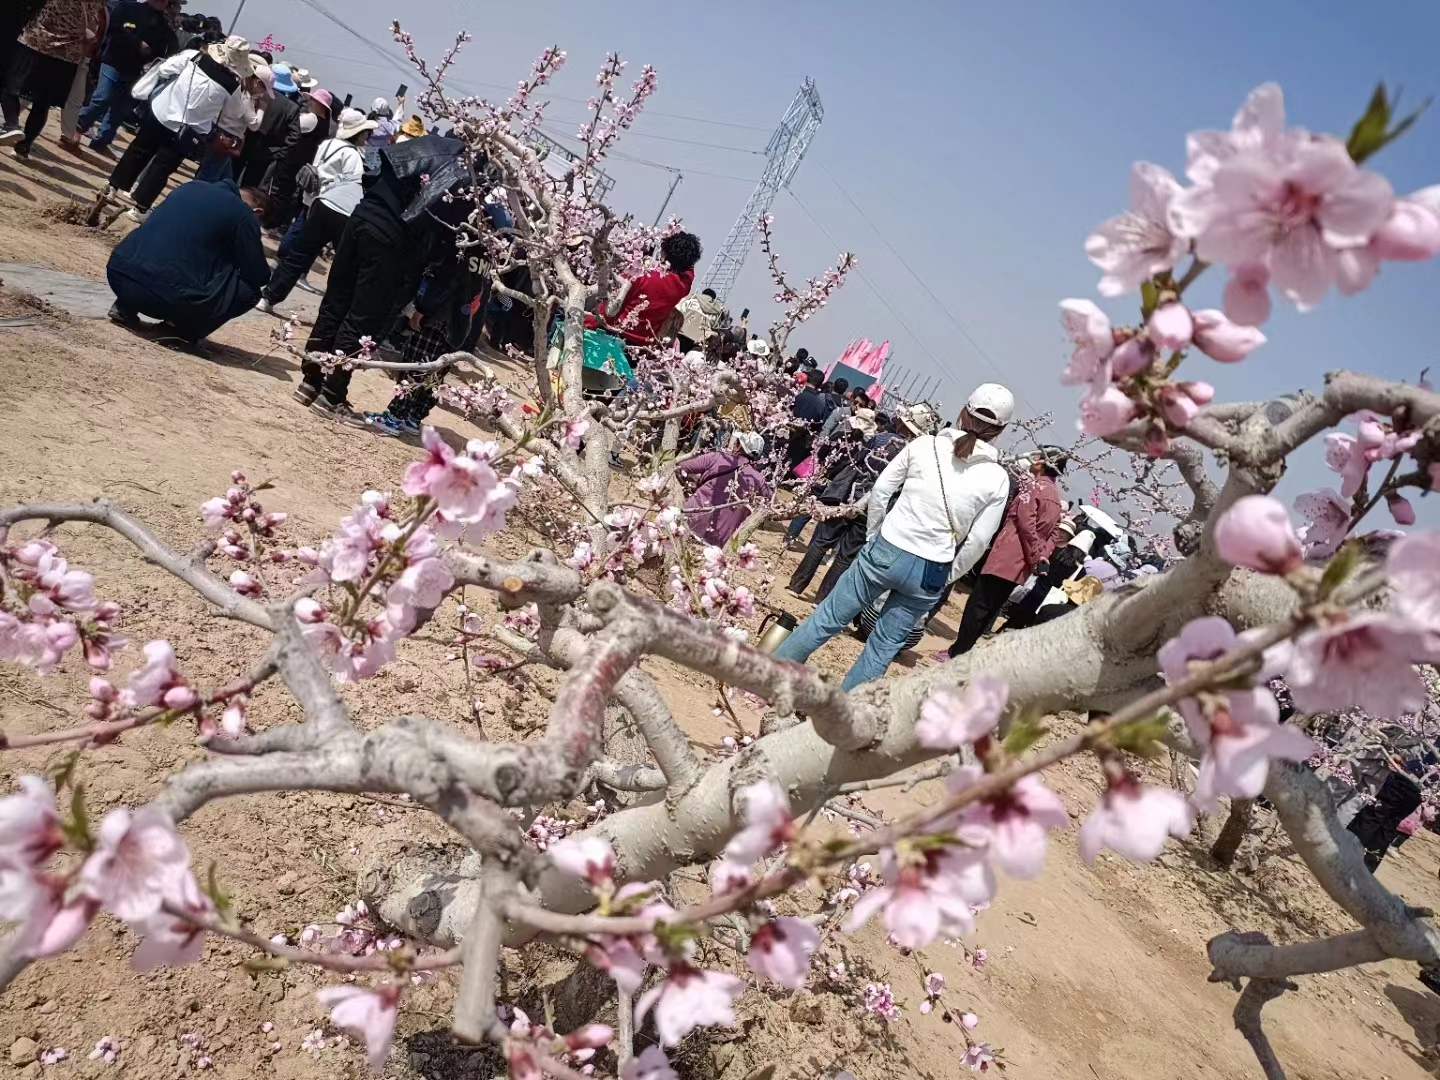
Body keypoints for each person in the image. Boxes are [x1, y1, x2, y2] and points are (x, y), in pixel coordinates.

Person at [774, 384, 1015, 691]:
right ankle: (841, 721)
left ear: (962, 412)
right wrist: (948, 574)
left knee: (827, 619)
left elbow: (882, 492)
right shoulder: (998, 479)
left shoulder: (924, 445)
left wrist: (875, 534)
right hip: (932, 569)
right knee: (882, 648)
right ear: (1000, 430)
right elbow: (979, 542)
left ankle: (772, 679)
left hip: (889, 546)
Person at [300, 133, 467, 424]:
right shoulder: (464, 171)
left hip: (363, 215)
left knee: (336, 301)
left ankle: (311, 380)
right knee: (363, 317)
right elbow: (437, 225)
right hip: (390, 237)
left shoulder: (424, 143)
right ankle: (331, 394)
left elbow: (372, 164)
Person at [106, 179, 270, 354]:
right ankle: (178, 332)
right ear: (257, 212)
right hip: (163, 297)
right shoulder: (244, 214)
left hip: (119, 272)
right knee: (250, 292)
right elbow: (258, 274)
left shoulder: (190, 186)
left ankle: (125, 306)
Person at [105, 34, 253, 221]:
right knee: (162, 167)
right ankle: (140, 208)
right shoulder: (233, 85)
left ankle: (112, 187)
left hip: (163, 111)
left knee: (138, 150)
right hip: (190, 130)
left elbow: (165, 70)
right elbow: (230, 113)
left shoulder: (193, 56)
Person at [947, 444, 1068, 658]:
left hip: (1007, 555)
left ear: (1043, 462)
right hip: (1022, 567)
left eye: (1037, 457)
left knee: (978, 605)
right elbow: (1054, 536)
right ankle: (963, 652)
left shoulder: (1033, 488)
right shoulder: (1056, 499)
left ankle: (958, 652)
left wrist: (1033, 556)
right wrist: (1040, 557)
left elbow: (1025, 524)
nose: (1033, 460)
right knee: (990, 608)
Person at [256, 106, 374, 312]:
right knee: (345, 264)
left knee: (298, 254)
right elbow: (353, 183)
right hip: (339, 209)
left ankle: (269, 296)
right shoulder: (353, 155)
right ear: (358, 133)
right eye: (365, 133)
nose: (367, 137)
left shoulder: (327, 144)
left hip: (316, 202)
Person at [74, 0, 171, 158]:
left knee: (120, 108)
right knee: (103, 97)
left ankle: (102, 141)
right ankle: (78, 126)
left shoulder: (163, 26)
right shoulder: (129, 8)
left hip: (136, 70)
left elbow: (162, 49)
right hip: (114, 60)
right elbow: (114, 28)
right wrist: (137, 43)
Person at [1, 0, 96, 158]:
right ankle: (24, 147)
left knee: (9, 83)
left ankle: (11, 124)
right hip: (67, 52)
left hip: (38, 40)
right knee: (43, 102)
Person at [589, 231, 702, 348]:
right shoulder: (682, 286)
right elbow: (689, 272)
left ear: (664, 253)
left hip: (609, 334)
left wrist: (588, 322)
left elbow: (608, 306)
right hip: (638, 347)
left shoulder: (641, 274)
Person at [674, 432, 773, 547]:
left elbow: (680, 467)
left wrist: (689, 487)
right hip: (717, 541)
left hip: (689, 520)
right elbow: (772, 504)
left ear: (737, 445)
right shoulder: (758, 479)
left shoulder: (717, 457)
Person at [265, 86, 332, 230]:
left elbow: (292, 126)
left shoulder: (312, 119)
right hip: (302, 162)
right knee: (288, 194)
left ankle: (271, 222)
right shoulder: (325, 124)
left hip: (291, 160)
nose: (309, 102)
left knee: (279, 192)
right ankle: (279, 223)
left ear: (320, 104)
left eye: (313, 100)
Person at [194, 58, 269, 182]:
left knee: (224, 177)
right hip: (227, 137)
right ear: (258, 82)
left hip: (221, 132)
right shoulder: (246, 96)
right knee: (209, 176)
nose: (263, 93)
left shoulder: (239, 87)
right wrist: (261, 109)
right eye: (264, 88)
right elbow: (254, 125)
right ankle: (192, 197)